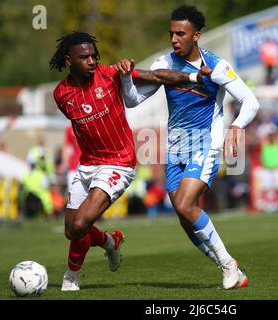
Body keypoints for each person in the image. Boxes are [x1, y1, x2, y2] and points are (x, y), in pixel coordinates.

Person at [50, 31, 209, 291]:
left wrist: (193, 77)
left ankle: (71, 277)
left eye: (93, 56)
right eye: (84, 57)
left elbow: (156, 77)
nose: (91, 61)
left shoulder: (110, 74)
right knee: (72, 230)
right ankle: (111, 242)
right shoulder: (61, 95)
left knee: (81, 224)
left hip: (118, 163)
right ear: (69, 61)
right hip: (87, 164)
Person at [117, 5, 259, 289]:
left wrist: (235, 127)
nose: (174, 39)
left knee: (184, 203)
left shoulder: (216, 66)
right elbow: (133, 101)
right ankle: (230, 269)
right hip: (175, 148)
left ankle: (229, 264)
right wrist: (124, 76)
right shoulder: (163, 65)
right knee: (184, 216)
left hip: (205, 144)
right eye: (171, 33)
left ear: (196, 35)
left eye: (180, 34)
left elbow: (250, 102)